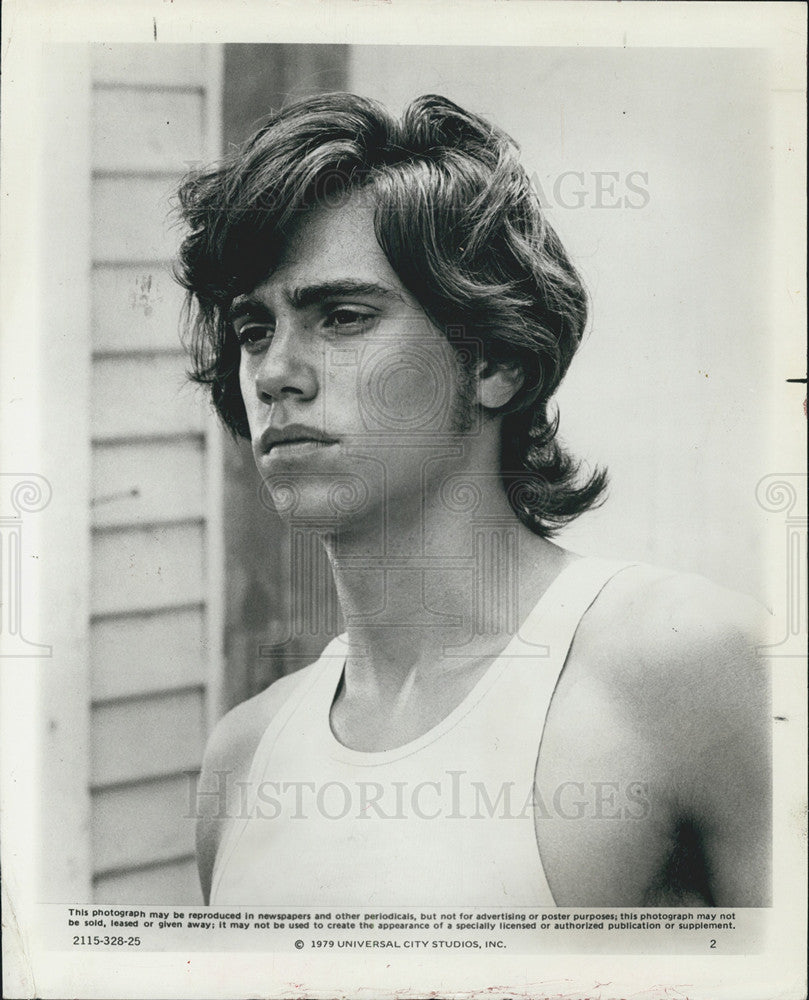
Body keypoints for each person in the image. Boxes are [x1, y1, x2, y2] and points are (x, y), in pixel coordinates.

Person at [175, 93, 770, 908]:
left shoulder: (687, 668)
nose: (275, 371)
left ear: (495, 360)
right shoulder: (242, 758)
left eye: (341, 317)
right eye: (252, 331)